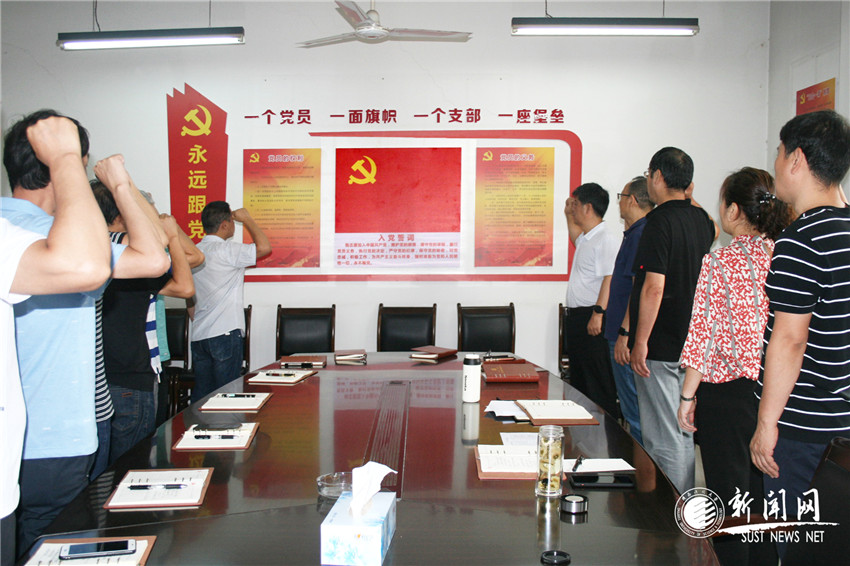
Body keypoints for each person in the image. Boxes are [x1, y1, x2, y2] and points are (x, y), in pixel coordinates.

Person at [1, 109, 170, 558]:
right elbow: (153, 258)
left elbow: (154, 261)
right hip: (51, 441)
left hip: (51, 434)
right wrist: (117, 184)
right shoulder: (66, 242)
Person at [0, 116, 112, 566]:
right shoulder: (38, 236)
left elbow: (150, 260)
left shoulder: (24, 236)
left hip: (31, 445)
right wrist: (67, 160)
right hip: (52, 442)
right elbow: (89, 267)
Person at [750, 110, 850, 560]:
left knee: (794, 543)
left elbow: (790, 340)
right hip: (843, 427)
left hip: (803, 429)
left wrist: (766, 424)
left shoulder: (800, 240)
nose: (774, 163)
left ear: (796, 160)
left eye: (778, 152)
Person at [678, 167, 790, 566]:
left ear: (734, 210)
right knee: (764, 500)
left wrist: (687, 396)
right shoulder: (785, 254)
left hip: (725, 397)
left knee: (728, 501)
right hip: (776, 394)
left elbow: (703, 333)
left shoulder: (719, 261)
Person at [627, 147, 715, 494]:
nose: (648, 180)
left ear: (658, 177)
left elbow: (654, 287)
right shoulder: (702, 220)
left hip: (661, 343)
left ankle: (677, 510)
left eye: (649, 174)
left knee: (666, 435)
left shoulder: (658, 222)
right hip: (691, 340)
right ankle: (682, 503)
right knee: (680, 428)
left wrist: (640, 341)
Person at [92, 181, 196, 464]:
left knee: (101, 470)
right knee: (131, 468)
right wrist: (171, 236)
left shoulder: (87, 248)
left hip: (96, 379)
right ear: (122, 213)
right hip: (132, 376)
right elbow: (185, 287)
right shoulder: (134, 256)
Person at [190, 202, 271, 402]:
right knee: (227, 397)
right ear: (224, 225)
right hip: (224, 333)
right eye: (233, 222)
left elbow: (188, 295)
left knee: (202, 399)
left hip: (199, 336)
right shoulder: (227, 250)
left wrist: (197, 320)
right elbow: (264, 248)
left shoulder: (194, 252)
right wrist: (247, 219)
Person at [563, 183, 621, 418]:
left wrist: (598, 313)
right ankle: (583, 428)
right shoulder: (588, 238)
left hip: (592, 317)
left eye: (575, 204)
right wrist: (568, 214)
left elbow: (610, 278)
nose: (573, 208)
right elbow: (575, 235)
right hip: (577, 318)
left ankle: (606, 429)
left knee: (597, 381)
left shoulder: (606, 239)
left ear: (588, 207)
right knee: (580, 379)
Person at [606, 176, 655, 445]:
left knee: (634, 411)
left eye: (621, 197)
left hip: (625, 336)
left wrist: (624, 333)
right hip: (622, 332)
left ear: (633, 200)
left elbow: (638, 288)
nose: (619, 203)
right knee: (632, 407)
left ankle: (641, 464)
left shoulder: (640, 234)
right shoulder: (635, 232)